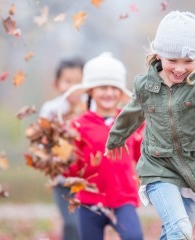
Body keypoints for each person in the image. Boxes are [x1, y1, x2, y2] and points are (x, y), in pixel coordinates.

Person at [105, 11, 195, 239]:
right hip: (158, 166)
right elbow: (131, 114)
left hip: (193, 168)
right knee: (180, 229)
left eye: (188, 61)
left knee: (176, 234)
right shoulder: (146, 85)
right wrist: (115, 139)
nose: (179, 68)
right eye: (172, 61)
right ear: (158, 55)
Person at [63, 52, 144, 240]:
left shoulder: (131, 121)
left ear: (120, 92)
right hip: (89, 201)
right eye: (102, 87)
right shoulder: (78, 125)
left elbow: (141, 156)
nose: (109, 93)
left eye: (113, 88)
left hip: (122, 198)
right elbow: (71, 170)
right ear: (91, 91)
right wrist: (63, 160)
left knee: (134, 237)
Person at [39, 58, 85, 240]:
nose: (73, 87)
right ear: (57, 84)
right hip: (62, 180)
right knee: (71, 223)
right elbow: (43, 143)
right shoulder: (51, 109)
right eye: (68, 81)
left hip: (87, 178)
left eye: (78, 82)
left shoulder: (91, 108)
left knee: (87, 223)